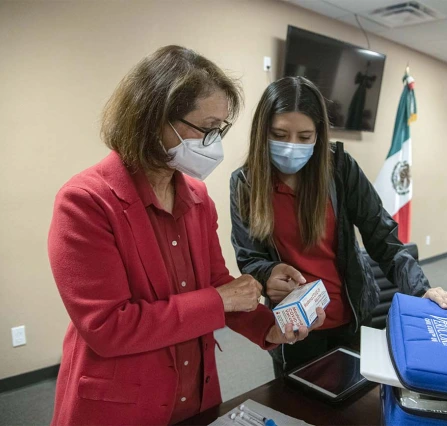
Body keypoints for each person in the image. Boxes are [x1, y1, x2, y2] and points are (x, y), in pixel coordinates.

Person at [47, 47, 324, 426]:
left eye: (220, 129)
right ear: (153, 117)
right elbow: (108, 327)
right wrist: (218, 299)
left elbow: (214, 283)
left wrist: (269, 327)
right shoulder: (85, 202)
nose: (214, 143)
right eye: (206, 128)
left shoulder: (197, 198)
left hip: (195, 393)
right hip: (121, 404)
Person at [230, 76, 447, 377]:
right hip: (294, 326)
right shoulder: (245, 183)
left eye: (304, 137)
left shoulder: (340, 168)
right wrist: (267, 274)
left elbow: (383, 237)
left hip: (351, 315)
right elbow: (249, 257)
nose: (291, 148)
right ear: (262, 132)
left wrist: (421, 289)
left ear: (319, 135)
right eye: (279, 134)